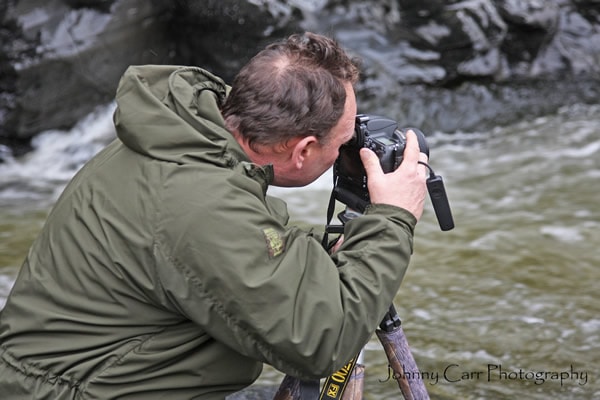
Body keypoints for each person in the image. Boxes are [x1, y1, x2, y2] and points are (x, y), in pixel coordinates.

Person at [0, 32, 428, 399]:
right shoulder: (201, 200)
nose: (350, 151)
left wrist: (328, 248)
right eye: (342, 142)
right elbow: (321, 343)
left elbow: (223, 253)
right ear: (301, 150)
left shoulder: (179, 138)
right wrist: (392, 217)